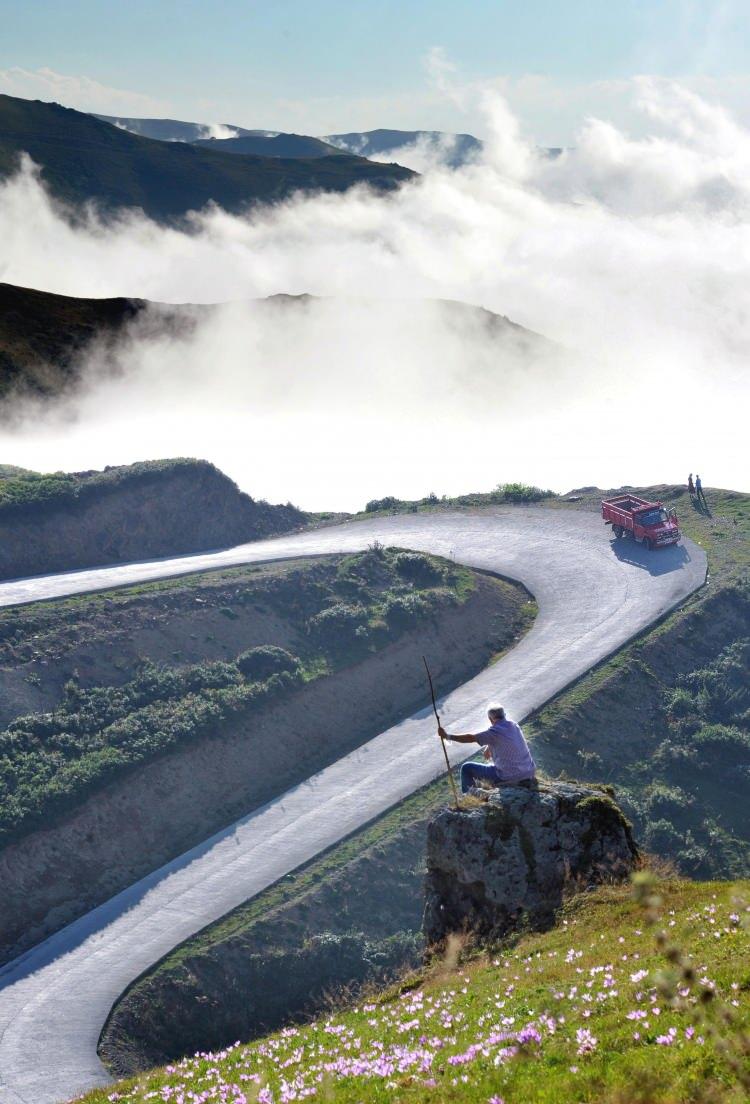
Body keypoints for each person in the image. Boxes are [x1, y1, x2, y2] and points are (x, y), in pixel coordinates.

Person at [439, 707, 536, 794]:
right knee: (492, 765)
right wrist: (489, 747)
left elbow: (470, 738)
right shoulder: (514, 725)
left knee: (466, 768)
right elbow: (499, 739)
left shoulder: (494, 732)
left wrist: (447, 736)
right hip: (528, 772)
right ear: (504, 715)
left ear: (490, 719)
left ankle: (470, 796)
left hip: (508, 776)